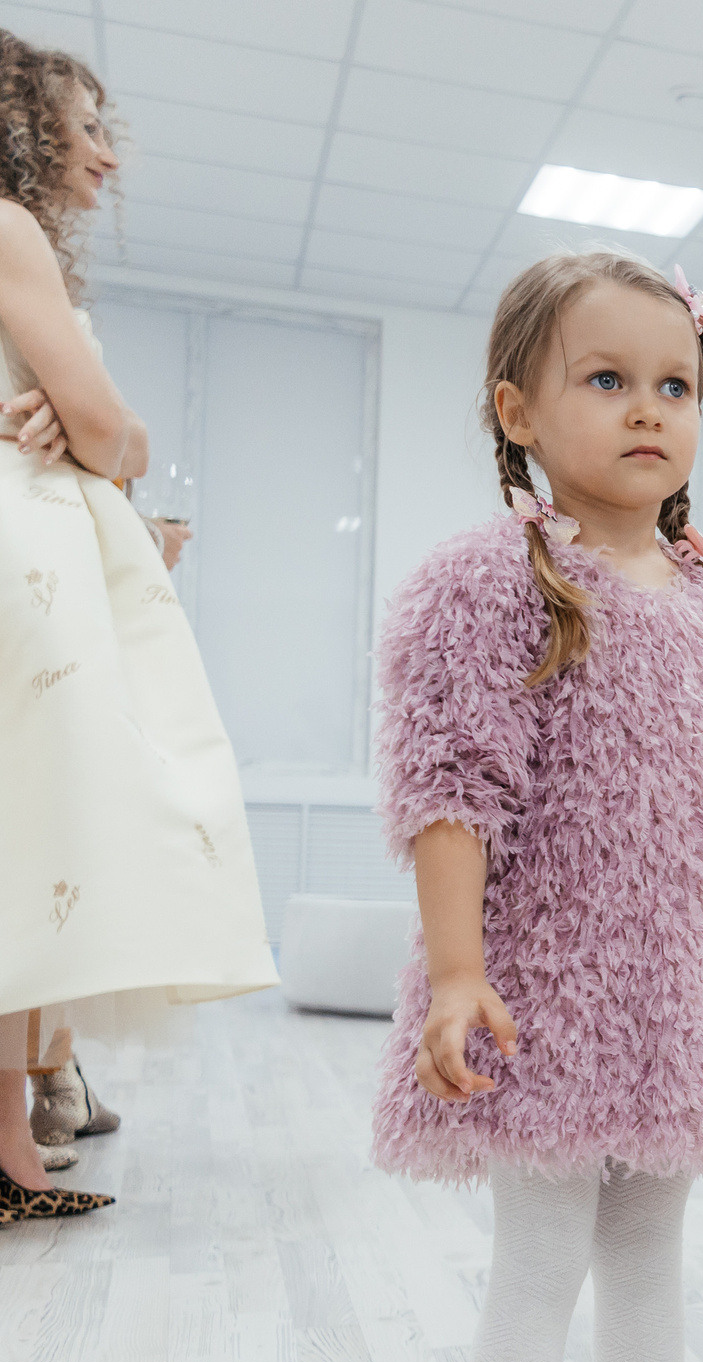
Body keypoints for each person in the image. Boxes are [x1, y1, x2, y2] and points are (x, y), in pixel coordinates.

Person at [370, 251, 703, 1362]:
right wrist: (454, 970)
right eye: (606, 379)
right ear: (518, 408)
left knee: (653, 1254)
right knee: (539, 1259)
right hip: (545, 987)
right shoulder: (487, 582)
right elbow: (450, 783)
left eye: (674, 384)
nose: (648, 410)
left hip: (679, 994)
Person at [0, 30, 272, 1223]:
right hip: (30, 570)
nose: (110, 157)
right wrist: (104, 433)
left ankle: (14, 1143)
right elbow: (113, 432)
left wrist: (95, 430)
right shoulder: (8, 231)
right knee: (45, 838)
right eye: (88, 125)